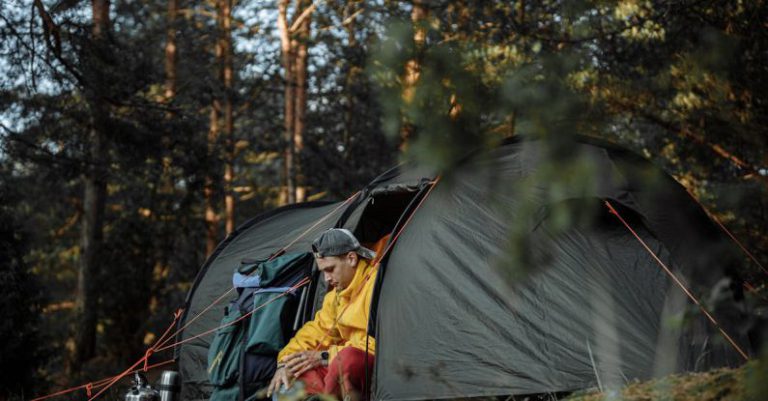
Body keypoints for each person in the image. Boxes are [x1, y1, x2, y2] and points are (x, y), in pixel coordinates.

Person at [266, 228, 379, 401]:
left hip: (372, 363)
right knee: (290, 382)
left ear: (351, 258)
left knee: (346, 360)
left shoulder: (377, 284)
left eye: (330, 269)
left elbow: (382, 342)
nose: (326, 278)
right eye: (323, 272)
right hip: (338, 362)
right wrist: (286, 363)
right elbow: (317, 331)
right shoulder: (335, 296)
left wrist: (326, 356)